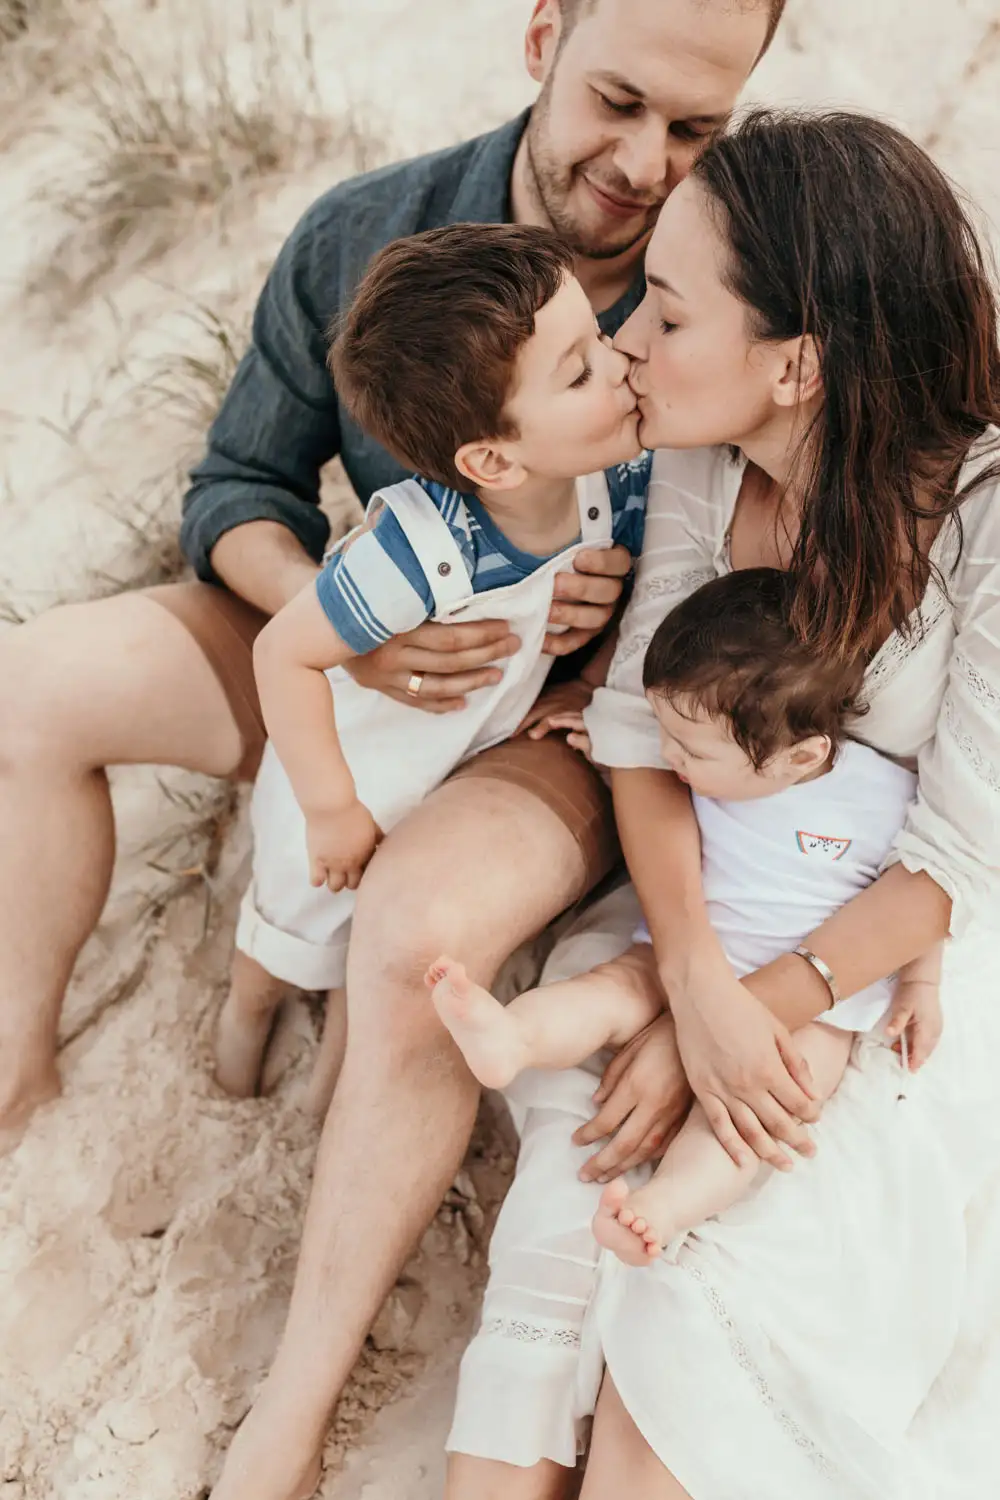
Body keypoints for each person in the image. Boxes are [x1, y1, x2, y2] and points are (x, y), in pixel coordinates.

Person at [0, 3, 785, 1498]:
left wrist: (595, 666)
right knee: (29, 688)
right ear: (543, 34)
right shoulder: (371, 231)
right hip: (358, 641)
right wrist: (345, 624)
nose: (643, 163)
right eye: (617, 101)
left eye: (696, 130)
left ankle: (289, 1417)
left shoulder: (722, 286)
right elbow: (237, 484)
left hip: (564, 728)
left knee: (417, 929)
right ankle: (17, 1075)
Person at [444, 109, 1000, 1500]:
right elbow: (639, 729)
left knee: (688, 1361)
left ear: (797, 363)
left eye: (669, 315)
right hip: (712, 900)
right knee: (572, 1213)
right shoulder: (707, 451)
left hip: (900, 976)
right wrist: (692, 979)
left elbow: (955, 860)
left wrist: (752, 1017)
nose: (628, 339)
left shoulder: (983, 515)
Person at [216, 221, 649, 1096]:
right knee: (285, 936)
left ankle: (321, 1107)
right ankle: (239, 1035)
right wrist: (332, 808)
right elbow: (283, 654)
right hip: (357, 769)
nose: (619, 363)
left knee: (367, 964)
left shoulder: (615, 481)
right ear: (492, 458)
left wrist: (605, 636)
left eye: (600, 339)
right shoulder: (419, 550)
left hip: (451, 771)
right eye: (580, 371)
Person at [429, 567, 943, 1264]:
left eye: (688, 748)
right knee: (611, 989)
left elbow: (920, 895)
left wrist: (920, 987)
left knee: (765, 1108)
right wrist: (601, 743)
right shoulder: (714, 765)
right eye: (665, 733)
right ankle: (513, 1037)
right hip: (683, 949)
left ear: (802, 757)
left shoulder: (884, 797)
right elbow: (649, 773)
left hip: (814, 1006)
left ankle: (664, 1208)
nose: (668, 756)